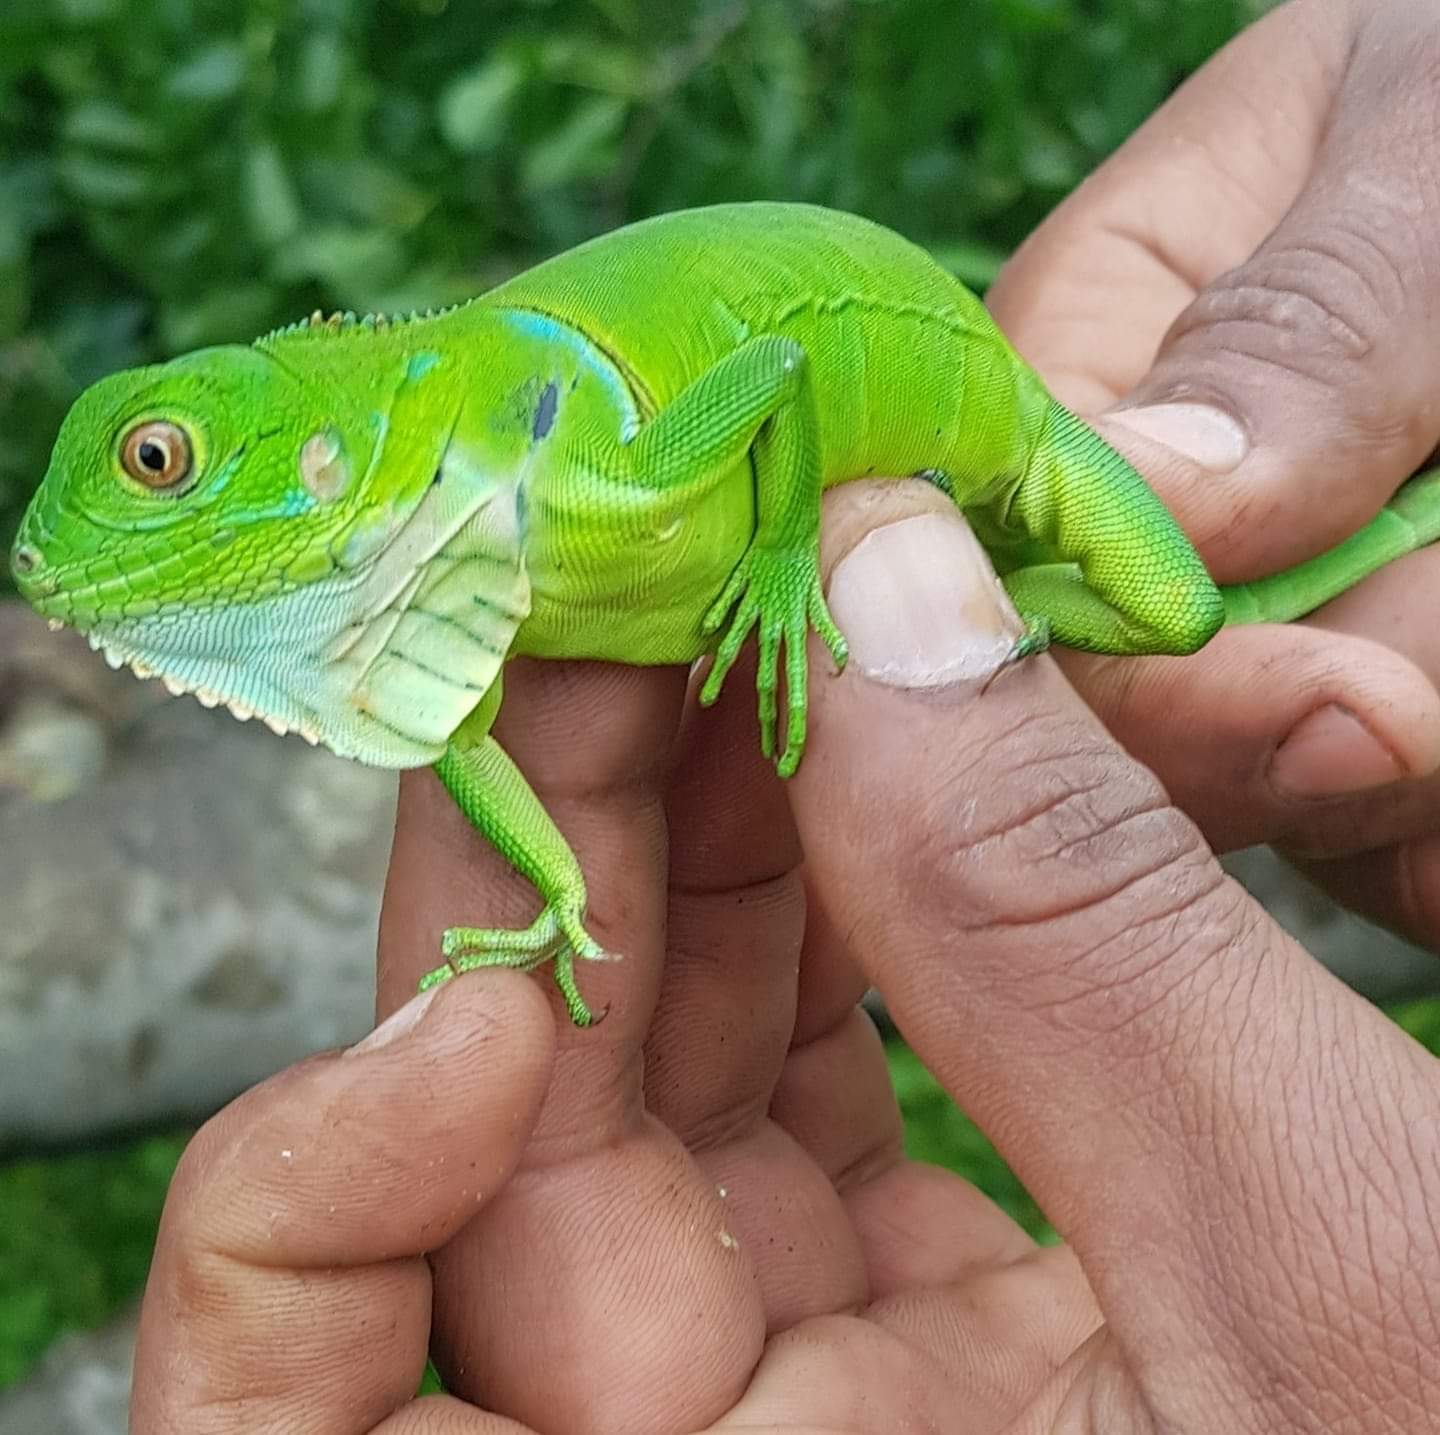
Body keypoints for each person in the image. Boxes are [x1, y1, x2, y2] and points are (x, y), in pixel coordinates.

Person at [129, 2, 1440, 1430]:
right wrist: (560, 903)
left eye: (161, 465)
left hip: (1012, 432)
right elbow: (463, 738)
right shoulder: (489, 548)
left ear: (312, 454)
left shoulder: (567, 463)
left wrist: (833, 587)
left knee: (1183, 614)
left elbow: (772, 376)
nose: (133, 517)